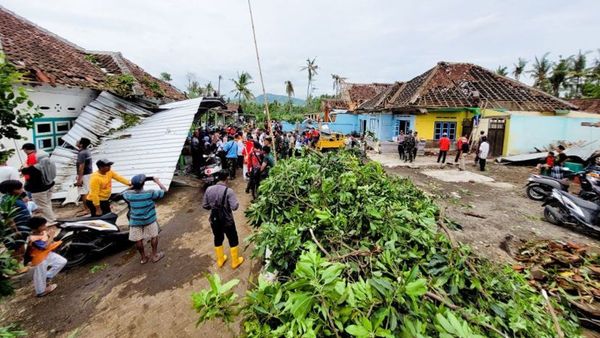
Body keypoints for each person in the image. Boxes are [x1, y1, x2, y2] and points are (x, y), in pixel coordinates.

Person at [202, 170, 243, 269]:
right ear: (227, 178)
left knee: (218, 238)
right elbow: (234, 207)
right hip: (227, 220)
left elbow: (205, 205)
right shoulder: (229, 191)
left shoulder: (209, 189)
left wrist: (213, 207)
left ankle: (220, 260)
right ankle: (235, 262)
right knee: (233, 238)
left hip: (214, 219)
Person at [123, 175, 166, 264]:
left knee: (138, 240)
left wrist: (133, 185)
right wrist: (157, 181)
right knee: (154, 236)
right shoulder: (150, 193)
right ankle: (154, 256)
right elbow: (164, 191)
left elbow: (123, 193)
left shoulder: (129, 195)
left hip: (135, 221)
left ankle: (143, 258)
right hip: (149, 220)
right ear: (143, 184)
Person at [27, 216, 66, 297]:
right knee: (40, 274)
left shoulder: (42, 232)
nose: (45, 226)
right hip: (38, 258)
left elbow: (47, 242)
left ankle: (48, 276)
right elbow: (44, 246)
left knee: (62, 261)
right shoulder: (33, 239)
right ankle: (41, 292)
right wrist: (51, 236)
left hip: (46, 254)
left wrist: (49, 236)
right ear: (37, 228)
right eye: (43, 225)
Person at [0, 180, 31, 263]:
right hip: (15, 230)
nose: (22, 190)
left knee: (21, 248)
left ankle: (20, 265)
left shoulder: (15, 197)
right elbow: (9, 218)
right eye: (19, 188)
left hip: (22, 228)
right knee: (16, 252)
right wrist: (15, 231)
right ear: (11, 190)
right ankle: (16, 268)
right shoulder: (7, 200)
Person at [20, 151, 56, 222]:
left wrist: (24, 165)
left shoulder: (35, 168)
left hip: (39, 190)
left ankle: (51, 220)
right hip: (50, 186)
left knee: (42, 205)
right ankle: (50, 218)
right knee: (47, 203)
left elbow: (24, 170)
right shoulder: (51, 163)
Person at [75, 138, 93, 211]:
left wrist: (79, 179)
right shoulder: (86, 151)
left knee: (83, 192)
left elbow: (81, 167)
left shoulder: (82, 153)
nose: (77, 141)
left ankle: (87, 209)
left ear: (81, 144)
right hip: (88, 174)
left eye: (78, 141)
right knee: (87, 191)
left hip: (84, 175)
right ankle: (89, 207)